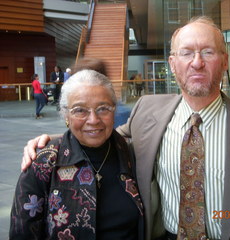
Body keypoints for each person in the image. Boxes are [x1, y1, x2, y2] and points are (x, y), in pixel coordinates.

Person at [22, 16, 230, 240]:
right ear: (173, 64)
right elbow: (101, 133)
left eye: (207, 52)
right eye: (186, 53)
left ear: (224, 61)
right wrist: (51, 142)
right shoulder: (148, 110)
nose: (197, 62)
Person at [11, 70, 144, 239]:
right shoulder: (43, 163)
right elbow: (22, 233)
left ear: (114, 111)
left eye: (103, 109)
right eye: (80, 110)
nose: (93, 119)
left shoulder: (129, 153)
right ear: (66, 114)